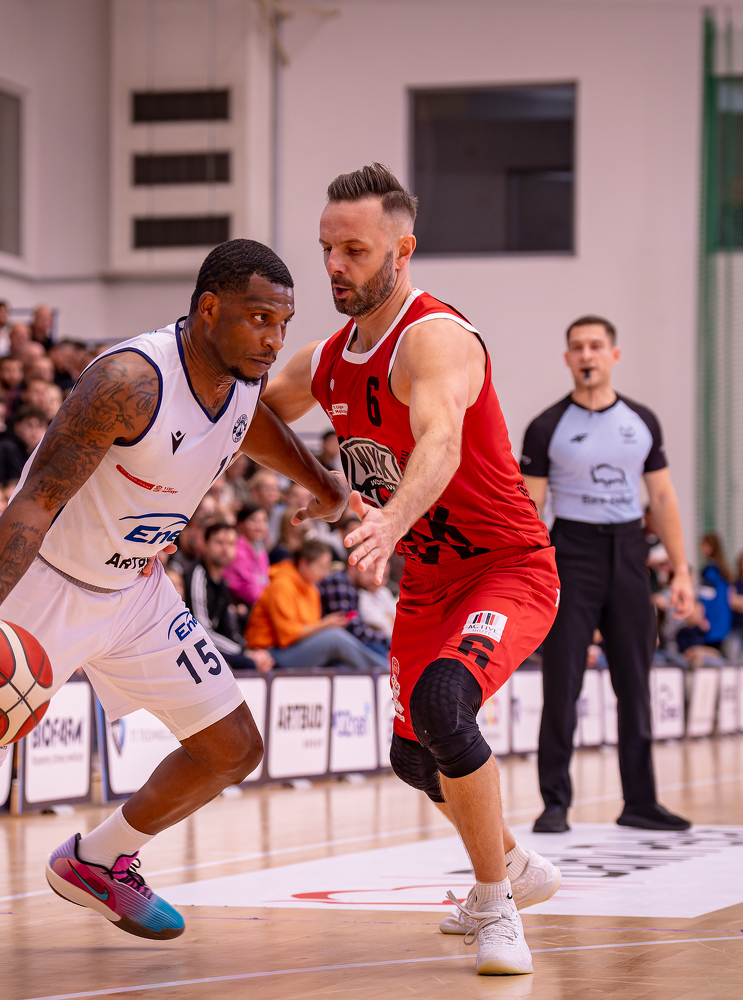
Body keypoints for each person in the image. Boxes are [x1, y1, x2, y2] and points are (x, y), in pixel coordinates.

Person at [0, 238, 347, 960]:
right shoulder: (130, 381)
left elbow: (251, 426)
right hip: (47, 587)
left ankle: (97, 860)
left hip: (137, 591)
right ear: (209, 309)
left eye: (283, 324)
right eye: (259, 320)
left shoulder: (242, 377)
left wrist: (321, 481)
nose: (274, 340)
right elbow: (33, 503)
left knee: (232, 748)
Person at [259, 165, 561, 974]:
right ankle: (517, 866)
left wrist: (390, 518)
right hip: (429, 581)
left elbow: (442, 442)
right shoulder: (326, 360)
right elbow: (252, 418)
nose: (334, 266)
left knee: (444, 705)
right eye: (326, 249)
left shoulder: (435, 338)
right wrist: (323, 483)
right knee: (414, 757)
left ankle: (495, 905)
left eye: (354, 250)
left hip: (505, 569)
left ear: (402, 250)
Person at [520, 314, 694, 836]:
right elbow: (531, 508)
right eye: (578, 347)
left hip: (628, 552)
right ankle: (555, 802)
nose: (587, 355)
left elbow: (662, 497)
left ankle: (640, 802)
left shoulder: (642, 421)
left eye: (596, 346)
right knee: (562, 683)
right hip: (571, 553)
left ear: (613, 355)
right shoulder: (546, 426)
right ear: (567, 358)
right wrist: (525, 573)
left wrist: (681, 571)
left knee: (635, 683)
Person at [245, 539, 386, 670]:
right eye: (321, 567)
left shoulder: (312, 588)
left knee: (343, 665)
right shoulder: (282, 585)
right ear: (303, 563)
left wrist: (326, 624)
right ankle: (387, 673)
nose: (325, 574)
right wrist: (326, 624)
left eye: (326, 568)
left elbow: (309, 630)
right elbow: (287, 637)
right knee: (335, 637)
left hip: (295, 648)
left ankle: (385, 676)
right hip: (270, 653)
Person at [184, 521, 271, 674]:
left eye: (231, 544)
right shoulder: (198, 577)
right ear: (205, 544)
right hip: (192, 649)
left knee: (265, 661)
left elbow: (227, 628)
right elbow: (201, 631)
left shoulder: (222, 581)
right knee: (250, 664)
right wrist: (243, 653)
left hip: (214, 646)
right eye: (219, 543)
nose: (225, 549)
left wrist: (247, 651)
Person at [319, 558, 396, 657]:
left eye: (384, 576)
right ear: (352, 567)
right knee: (377, 650)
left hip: (337, 648)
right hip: (324, 646)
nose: (377, 580)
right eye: (371, 572)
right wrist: (390, 642)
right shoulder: (339, 583)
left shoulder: (352, 587)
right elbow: (354, 630)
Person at [223, 504, 271, 605]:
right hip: (241, 605)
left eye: (264, 521)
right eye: (254, 521)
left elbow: (265, 581)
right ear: (240, 524)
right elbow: (248, 591)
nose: (260, 526)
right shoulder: (236, 549)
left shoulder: (261, 550)